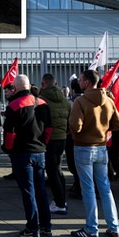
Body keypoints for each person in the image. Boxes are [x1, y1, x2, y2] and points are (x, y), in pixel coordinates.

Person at [68, 69, 119, 237]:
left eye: (81, 80)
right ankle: (114, 227)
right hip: (101, 147)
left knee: (88, 189)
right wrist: (103, 130)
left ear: (86, 82)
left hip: (84, 147)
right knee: (105, 188)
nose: (79, 82)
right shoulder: (108, 100)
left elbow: (75, 126)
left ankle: (92, 229)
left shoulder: (80, 101)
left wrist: (75, 132)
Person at [2, 75, 53, 237]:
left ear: (15, 88)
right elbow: (49, 129)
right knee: (41, 191)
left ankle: (32, 228)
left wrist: (8, 149)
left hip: (22, 153)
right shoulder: (43, 104)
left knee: (28, 192)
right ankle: (46, 226)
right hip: (40, 151)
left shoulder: (14, 106)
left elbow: (9, 133)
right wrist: (43, 144)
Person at [40, 74, 70, 213]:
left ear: (43, 83)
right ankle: (62, 200)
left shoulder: (41, 100)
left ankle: (59, 203)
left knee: (52, 172)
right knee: (58, 169)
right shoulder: (64, 100)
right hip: (62, 137)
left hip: (49, 139)